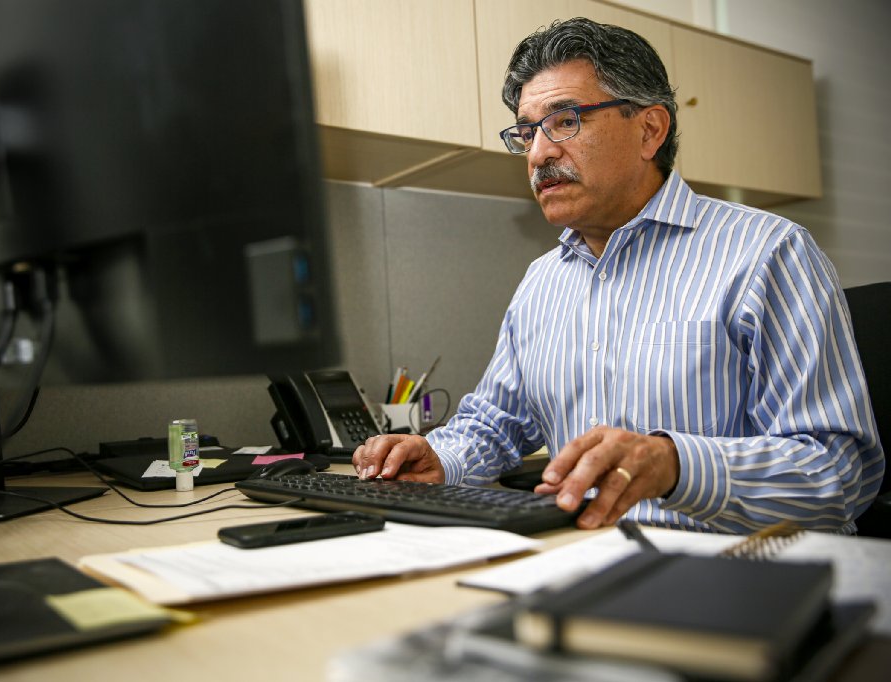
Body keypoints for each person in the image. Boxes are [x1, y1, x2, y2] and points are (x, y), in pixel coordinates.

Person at [353, 17, 884, 534]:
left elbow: (839, 474)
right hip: (578, 555)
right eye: (526, 132)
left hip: (736, 571)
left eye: (565, 120)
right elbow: (497, 421)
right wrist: (438, 454)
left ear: (650, 129)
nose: (538, 153)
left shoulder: (768, 253)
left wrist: (676, 465)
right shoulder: (542, 281)